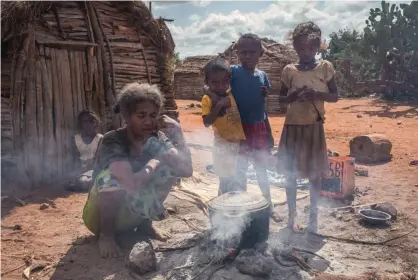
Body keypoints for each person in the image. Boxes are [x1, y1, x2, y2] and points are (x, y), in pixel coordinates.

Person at [82, 83, 193, 258]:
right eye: (141, 115)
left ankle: (144, 225)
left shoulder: (157, 138)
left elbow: (186, 170)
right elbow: (130, 184)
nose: (148, 121)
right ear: (126, 116)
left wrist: (179, 134)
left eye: (153, 115)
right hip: (99, 218)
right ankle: (107, 236)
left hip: (133, 212)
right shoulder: (113, 139)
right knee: (111, 178)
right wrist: (156, 160)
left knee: (170, 169)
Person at [276, 22, 338, 233]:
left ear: (318, 47)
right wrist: (294, 95)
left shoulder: (325, 67)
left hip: (313, 127)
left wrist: (316, 95)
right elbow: (281, 100)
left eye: (311, 48)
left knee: (314, 174)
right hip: (292, 127)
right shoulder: (289, 70)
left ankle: (313, 216)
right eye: (301, 49)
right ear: (295, 48)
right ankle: (291, 217)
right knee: (290, 174)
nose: (306, 53)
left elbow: (335, 96)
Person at [229, 33, 277, 219]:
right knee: (240, 169)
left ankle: (268, 205)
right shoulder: (233, 73)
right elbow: (211, 83)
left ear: (260, 54)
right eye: (243, 52)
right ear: (238, 53)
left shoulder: (262, 76)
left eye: (252, 52)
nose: (247, 56)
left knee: (261, 169)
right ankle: (242, 209)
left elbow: (263, 108)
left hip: (259, 129)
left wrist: (269, 132)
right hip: (240, 129)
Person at [201, 58, 246, 195]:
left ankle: (239, 207)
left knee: (238, 178)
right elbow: (207, 122)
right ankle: (222, 210)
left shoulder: (231, 95)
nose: (221, 86)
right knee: (225, 179)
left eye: (224, 82)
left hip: (237, 144)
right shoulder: (207, 99)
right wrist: (219, 105)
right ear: (207, 83)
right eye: (215, 82)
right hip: (222, 145)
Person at [66, 110, 103, 192]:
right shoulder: (76, 139)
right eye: (85, 122)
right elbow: (74, 159)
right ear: (81, 124)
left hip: (95, 170)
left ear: (96, 123)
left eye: (92, 122)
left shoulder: (100, 138)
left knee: (83, 182)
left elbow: (99, 160)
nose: (89, 124)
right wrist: (76, 172)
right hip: (81, 170)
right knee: (74, 179)